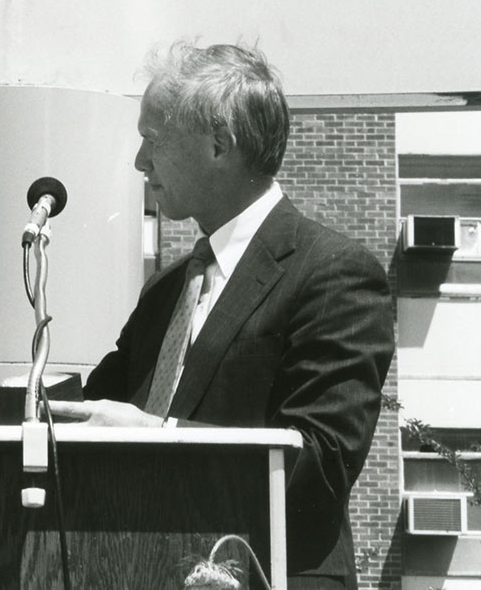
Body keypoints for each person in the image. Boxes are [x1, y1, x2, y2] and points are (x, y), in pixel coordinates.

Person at [49, 43, 394, 589]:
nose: (141, 161)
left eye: (153, 140)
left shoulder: (334, 273)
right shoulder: (167, 288)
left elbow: (323, 464)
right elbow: (101, 413)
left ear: (219, 146)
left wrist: (158, 435)